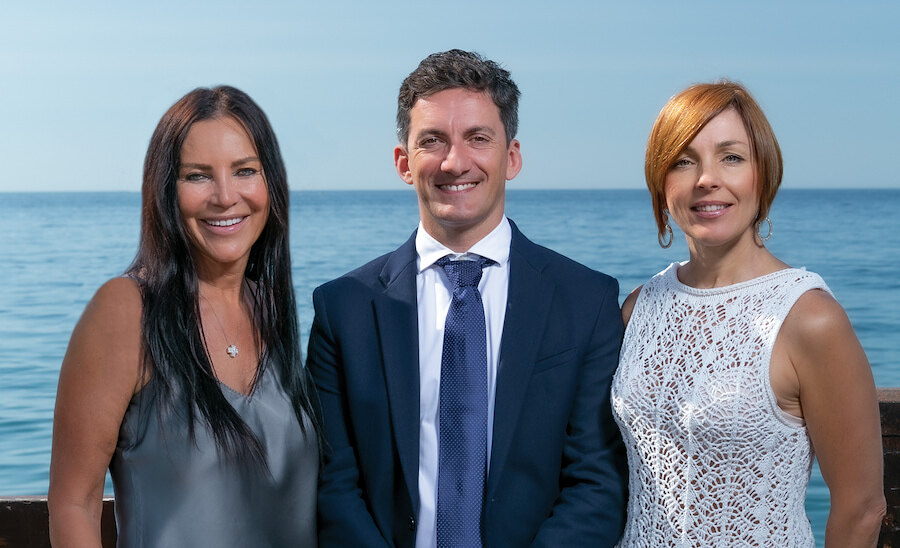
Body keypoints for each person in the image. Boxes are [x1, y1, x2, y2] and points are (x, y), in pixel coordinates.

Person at [306, 49, 627, 547]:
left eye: (478, 138)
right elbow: (334, 483)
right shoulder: (342, 309)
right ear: (403, 163)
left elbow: (597, 482)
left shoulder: (586, 301)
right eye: (432, 141)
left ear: (511, 156)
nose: (455, 162)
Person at [612, 81, 885, 546]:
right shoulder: (639, 307)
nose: (706, 178)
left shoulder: (808, 318)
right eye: (683, 160)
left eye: (731, 157)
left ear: (764, 173)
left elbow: (861, 508)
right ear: (662, 185)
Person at [48, 86, 320, 547]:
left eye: (245, 171)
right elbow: (75, 503)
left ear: (270, 183)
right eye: (198, 176)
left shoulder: (274, 312)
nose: (225, 196)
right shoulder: (125, 311)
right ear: (165, 192)